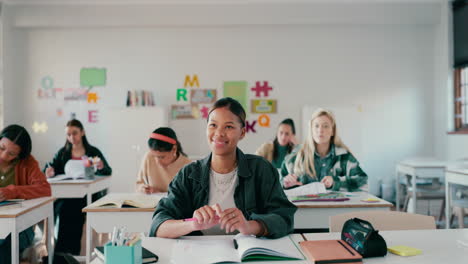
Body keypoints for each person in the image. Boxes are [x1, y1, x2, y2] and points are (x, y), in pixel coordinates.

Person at [150, 97, 296, 239]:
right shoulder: (188, 174)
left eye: (229, 126)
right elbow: (158, 225)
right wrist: (192, 224)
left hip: (248, 255)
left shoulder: (261, 169)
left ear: (242, 133)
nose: (219, 133)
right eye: (213, 125)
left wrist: (249, 226)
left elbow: (285, 218)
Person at [44, 119, 112, 255]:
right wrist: (48, 171)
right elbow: (48, 169)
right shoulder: (62, 153)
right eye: (68, 134)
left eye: (74, 133)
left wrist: (101, 167)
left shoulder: (93, 151)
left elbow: (107, 171)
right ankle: (62, 254)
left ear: (82, 132)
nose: (71, 137)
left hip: (88, 197)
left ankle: (68, 254)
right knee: (64, 210)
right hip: (66, 197)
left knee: (73, 210)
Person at [280, 108, 367, 191]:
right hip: (303, 206)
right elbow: (276, 182)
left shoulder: (344, 156)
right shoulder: (297, 154)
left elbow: (363, 180)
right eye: (316, 126)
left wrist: (335, 182)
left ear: (333, 131)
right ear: (311, 130)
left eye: (325, 126)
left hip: (335, 206)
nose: (320, 130)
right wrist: (284, 183)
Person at [0, 125, 51, 264]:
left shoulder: (27, 162)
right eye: (2, 148)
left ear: (20, 154)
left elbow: (45, 189)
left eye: (11, 154)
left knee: (5, 246)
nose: (4, 156)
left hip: (21, 225)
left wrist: (13, 191)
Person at [136, 127, 191, 194]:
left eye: (161, 157)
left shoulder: (188, 166)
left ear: (174, 149)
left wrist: (160, 193)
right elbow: (139, 184)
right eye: (154, 156)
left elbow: (189, 196)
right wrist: (142, 188)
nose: (157, 161)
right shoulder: (148, 157)